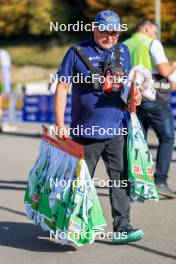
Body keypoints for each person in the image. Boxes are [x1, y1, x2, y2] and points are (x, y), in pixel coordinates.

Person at [54, 10, 144, 244]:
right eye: (105, 31)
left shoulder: (123, 50)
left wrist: (136, 95)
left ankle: (122, 226)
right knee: (79, 183)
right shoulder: (76, 52)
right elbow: (62, 88)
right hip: (85, 132)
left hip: (117, 129)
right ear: (94, 28)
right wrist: (60, 124)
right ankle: (72, 226)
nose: (110, 37)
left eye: (115, 32)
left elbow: (127, 86)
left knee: (120, 180)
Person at [125, 19, 176, 198]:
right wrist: (173, 66)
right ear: (147, 28)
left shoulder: (125, 44)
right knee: (167, 137)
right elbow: (164, 71)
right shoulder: (152, 43)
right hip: (153, 97)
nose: (156, 35)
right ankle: (160, 181)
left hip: (131, 98)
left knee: (139, 141)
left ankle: (137, 183)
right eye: (155, 31)